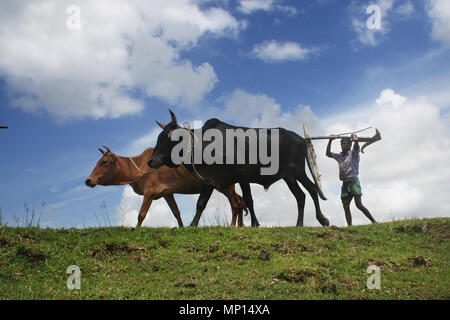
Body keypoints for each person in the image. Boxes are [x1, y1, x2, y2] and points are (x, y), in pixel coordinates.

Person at [326, 133, 377, 226]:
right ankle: (350, 226)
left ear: (349, 145)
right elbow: (328, 154)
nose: (342, 145)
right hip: (345, 183)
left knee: (358, 205)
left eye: (344, 143)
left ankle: (373, 221)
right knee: (346, 206)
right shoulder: (340, 156)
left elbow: (356, 145)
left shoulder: (353, 153)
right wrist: (330, 140)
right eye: (341, 144)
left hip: (353, 181)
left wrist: (355, 139)